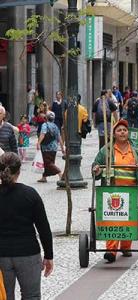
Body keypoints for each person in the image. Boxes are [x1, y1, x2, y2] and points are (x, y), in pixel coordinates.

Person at [92, 119, 138, 263]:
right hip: (112, 190)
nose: (122, 132)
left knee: (129, 218)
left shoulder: (136, 149)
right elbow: (96, 164)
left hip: (132, 190)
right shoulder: (106, 150)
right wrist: (96, 169)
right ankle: (111, 251)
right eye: (119, 130)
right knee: (113, 219)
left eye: (124, 130)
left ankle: (126, 246)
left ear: (128, 133)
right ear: (114, 133)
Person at [0, 152, 53, 299]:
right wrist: (49, 255)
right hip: (28, 253)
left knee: (4, 296)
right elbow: (43, 228)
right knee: (32, 296)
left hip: (1, 255)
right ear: (19, 171)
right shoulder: (30, 194)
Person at [36, 111, 65, 183]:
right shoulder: (55, 126)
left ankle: (60, 173)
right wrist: (62, 148)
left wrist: (38, 143)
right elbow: (59, 138)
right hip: (54, 147)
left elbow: (43, 134)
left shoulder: (45, 125)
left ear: (46, 118)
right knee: (48, 162)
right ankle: (44, 177)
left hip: (46, 147)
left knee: (48, 163)